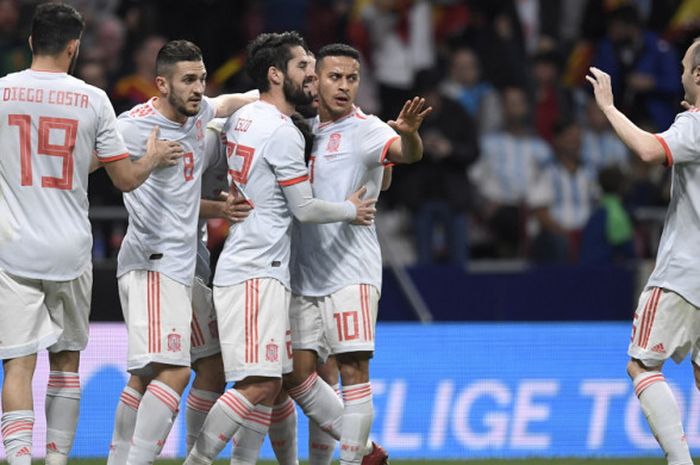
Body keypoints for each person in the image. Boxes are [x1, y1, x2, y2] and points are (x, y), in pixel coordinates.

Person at [183, 32, 376, 465]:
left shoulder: (242, 118)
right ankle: (196, 461)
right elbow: (304, 208)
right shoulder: (285, 133)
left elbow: (218, 121)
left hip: (246, 263)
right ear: (276, 74)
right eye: (303, 67)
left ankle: (349, 450)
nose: (312, 76)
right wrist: (349, 209)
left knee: (273, 383)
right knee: (258, 385)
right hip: (259, 269)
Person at [0, 4, 181, 465]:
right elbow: (123, 179)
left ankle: (20, 460)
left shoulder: (1, 93)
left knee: (18, 365)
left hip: (12, 249)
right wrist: (153, 159)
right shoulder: (93, 99)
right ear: (74, 46)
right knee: (65, 363)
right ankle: (58, 460)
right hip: (70, 251)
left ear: (29, 42)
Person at [105, 39, 256, 465]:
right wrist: (148, 160)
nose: (198, 88)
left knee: (209, 367)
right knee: (171, 371)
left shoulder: (199, 113)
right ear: (161, 84)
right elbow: (88, 166)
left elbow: (226, 103)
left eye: (202, 79)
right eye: (188, 80)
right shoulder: (133, 127)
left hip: (187, 266)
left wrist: (268, 96)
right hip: (152, 264)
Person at [285, 43, 430, 465]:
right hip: (304, 274)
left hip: (351, 272)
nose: (344, 86)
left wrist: (409, 134)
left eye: (352, 78)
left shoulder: (367, 129)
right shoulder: (302, 130)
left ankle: (351, 461)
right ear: (315, 80)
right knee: (294, 376)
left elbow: (408, 154)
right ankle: (366, 451)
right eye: (335, 77)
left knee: (352, 370)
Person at [586, 37, 700, 465]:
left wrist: (609, 107)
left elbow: (651, 150)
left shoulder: (694, 125)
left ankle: (679, 461)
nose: (682, 75)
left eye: (686, 68)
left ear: (699, 76)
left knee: (643, 366)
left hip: (683, 273)